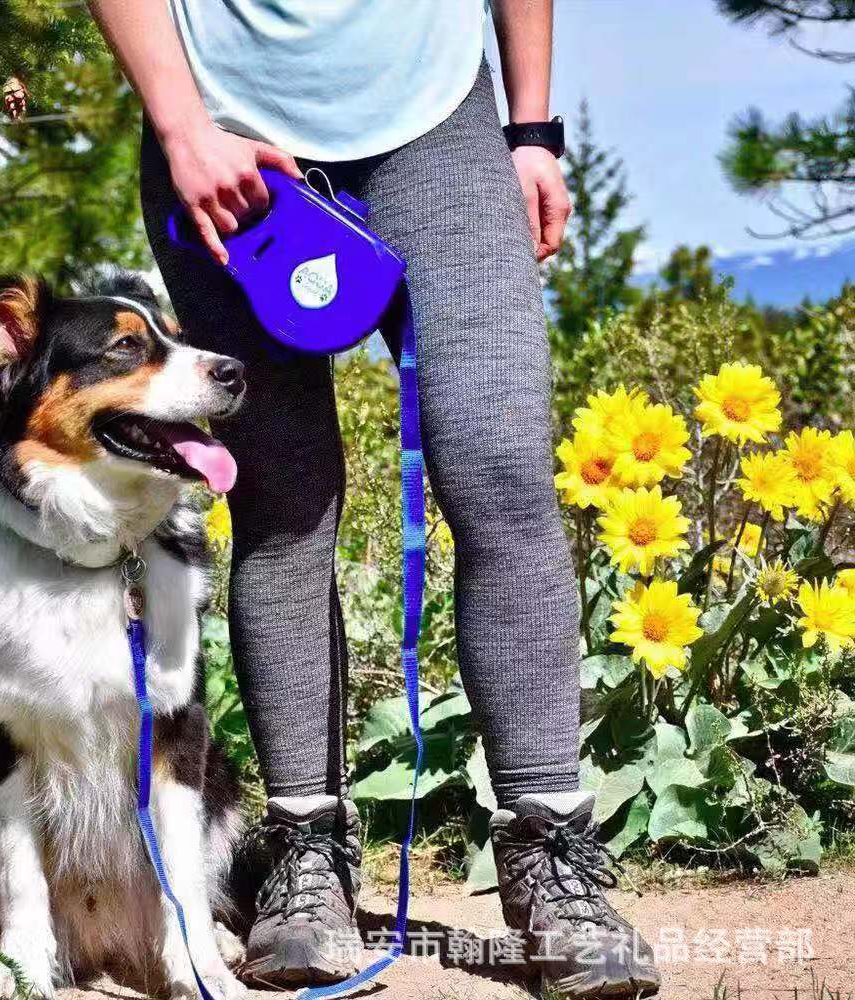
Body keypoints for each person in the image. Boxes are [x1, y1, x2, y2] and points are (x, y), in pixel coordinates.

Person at [89, 2, 660, 997]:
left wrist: (530, 130)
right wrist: (180, 123)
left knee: (499, 468)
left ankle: (551, 856)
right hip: (223, 123)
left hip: (436, 119)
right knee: (281, 497)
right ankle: (307, 851)